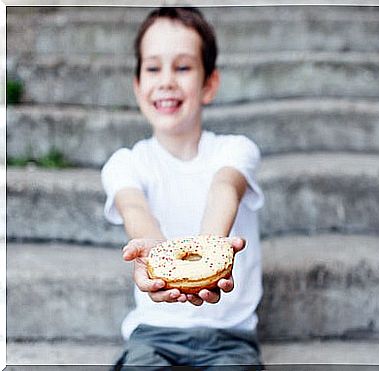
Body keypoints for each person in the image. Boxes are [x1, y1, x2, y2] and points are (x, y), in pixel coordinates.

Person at [101, 7, 265, 370]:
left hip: (230, 338)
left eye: (184, 67)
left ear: (209, 84)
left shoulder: (236, 149)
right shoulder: (125, 163)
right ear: (137, 84)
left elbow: (225, 187)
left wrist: (210, 250)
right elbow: (134, 208)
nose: (166, 81)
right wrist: (153, 253)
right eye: (153, 67)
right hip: (153, 333)